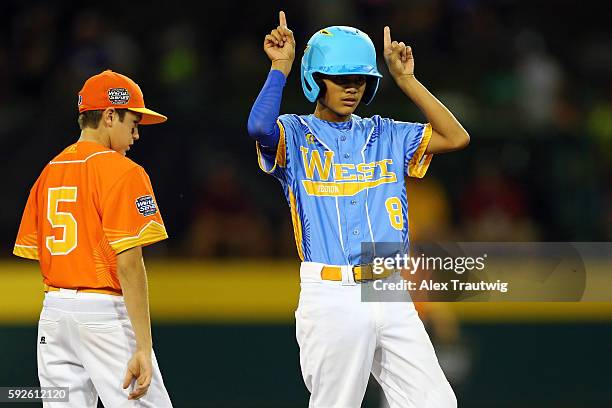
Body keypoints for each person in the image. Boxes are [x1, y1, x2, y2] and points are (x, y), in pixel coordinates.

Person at [247, 11, 470, 408]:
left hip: (387, 284)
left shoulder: (385, 132)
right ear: (316, 80)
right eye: (341, 79)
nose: (353, 88)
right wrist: (280, 68)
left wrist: (407, 81)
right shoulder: (295, 134)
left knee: (437, 403)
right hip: (332, 289)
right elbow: (259, 128)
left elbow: (456, 136)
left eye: (361, 80)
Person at [13, 70, 173, 407]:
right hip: (104, 314)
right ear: (110, 115)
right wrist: (143, 346)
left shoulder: (49, 170)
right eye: (133, 122)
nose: (136, 134)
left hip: (54, 314)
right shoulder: (123, 171)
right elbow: (129, 265)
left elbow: (42, 252)